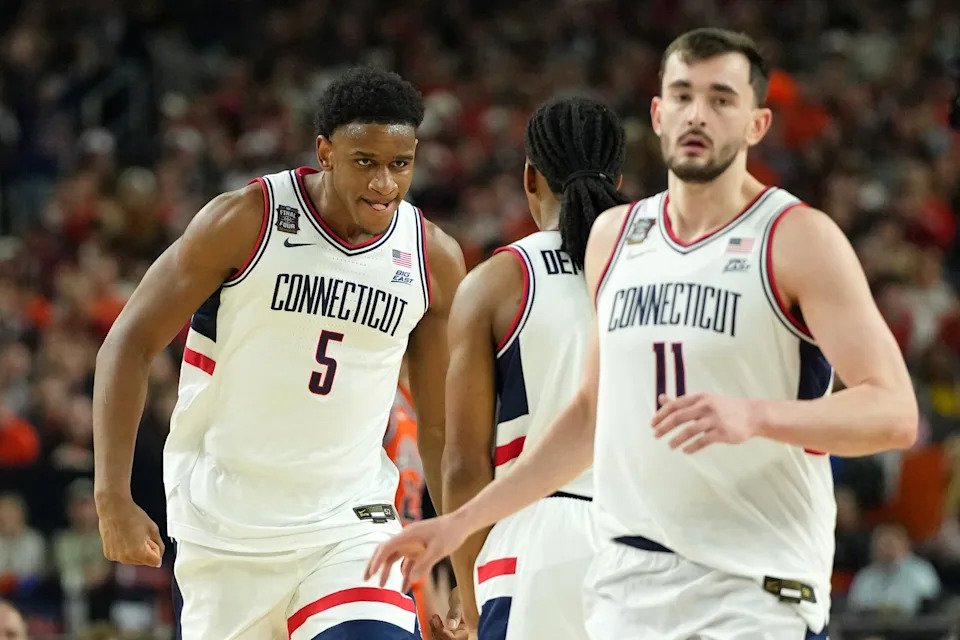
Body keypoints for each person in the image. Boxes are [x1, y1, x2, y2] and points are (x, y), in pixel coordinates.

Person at [366, 28, 918, 639]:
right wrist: (460, 523)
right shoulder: (617, 240)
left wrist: (758, 415)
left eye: (721, 98)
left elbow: (894, 413)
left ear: (757, 123)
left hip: (751, 585)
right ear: (657, 114)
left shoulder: (798, 238)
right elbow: (587, 417)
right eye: (682, 95)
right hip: (631, 587)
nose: (697, 114)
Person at [93, 67, 466, 639]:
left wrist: (464, 559)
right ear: (325, 153)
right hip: (226, 527)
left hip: (350, 525)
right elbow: (129, 342)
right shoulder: (246, 220)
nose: (384, 183)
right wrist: (111, 496)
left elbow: (439, 427)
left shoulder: (430, 256)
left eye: (400, 164)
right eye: (365, 161)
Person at [441, 96, 626, 640]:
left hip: (535, 542)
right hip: (643, 540)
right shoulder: (660, 271)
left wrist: (468, 586)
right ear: (617, 180)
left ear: (530, 177)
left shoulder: (496, 282)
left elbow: (463, 466)